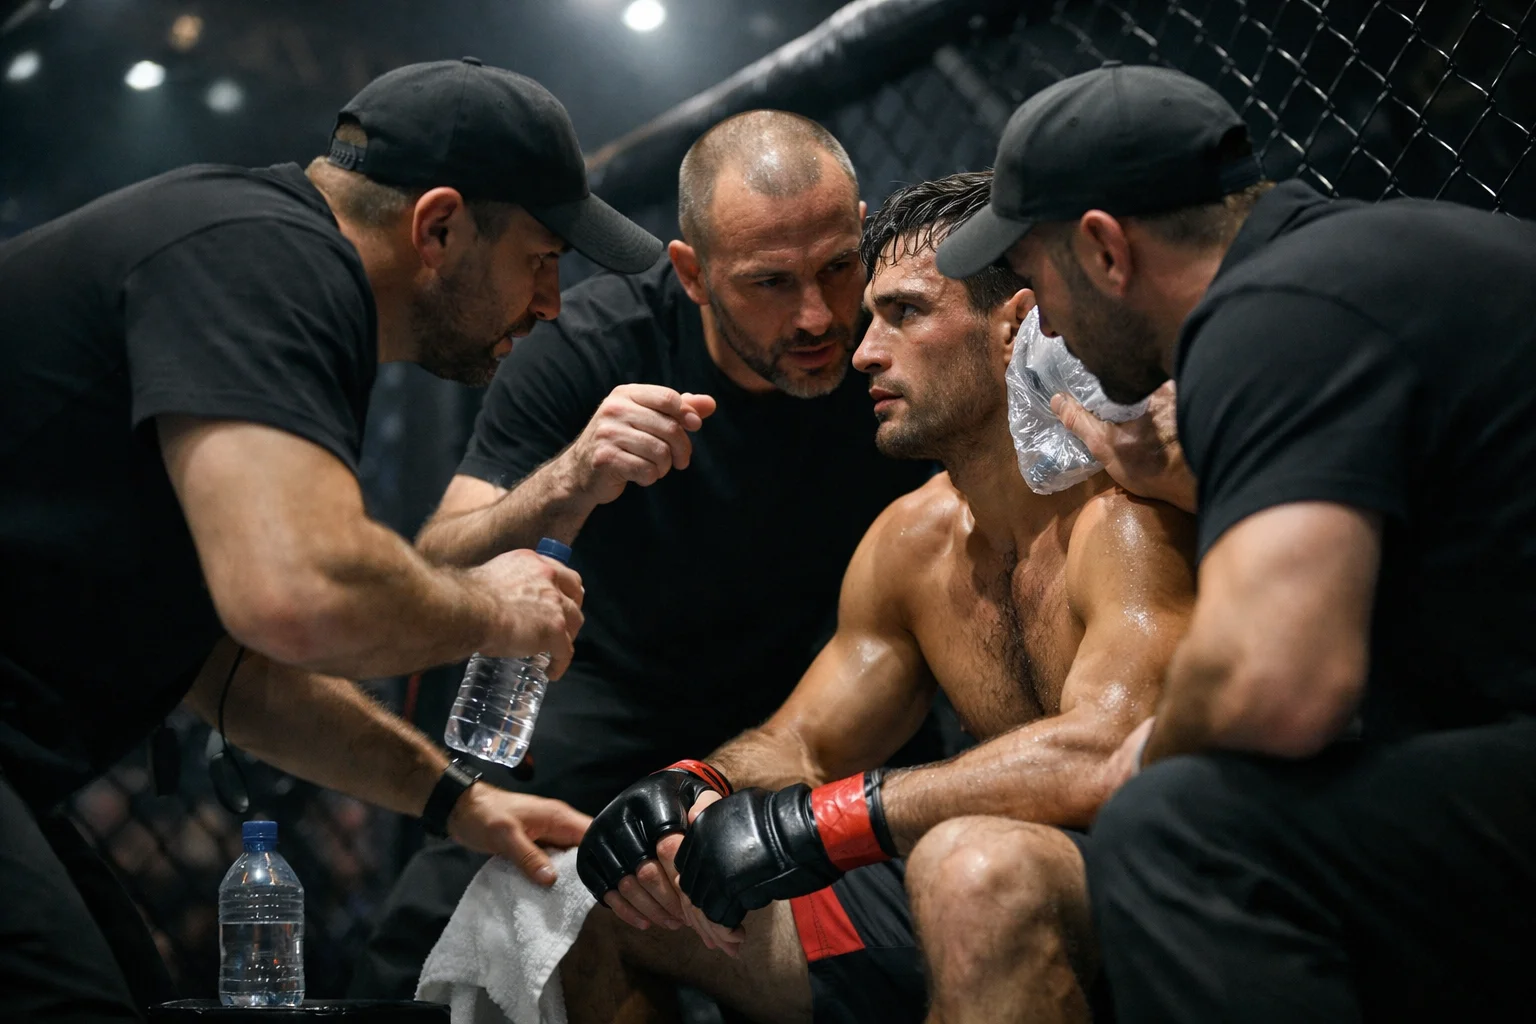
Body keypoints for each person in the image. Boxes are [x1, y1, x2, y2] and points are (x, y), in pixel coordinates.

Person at [0, 58, 662, 1020]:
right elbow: (298, 592)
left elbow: (238, 667)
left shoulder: (255, 262)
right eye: (541, 258)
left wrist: (453, 801)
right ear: (438, 227)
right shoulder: (269, 260)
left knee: (127, 988)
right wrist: (496, 610)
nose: (553, 301)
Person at [937, 62, 1536, 1021]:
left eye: (1030, 276)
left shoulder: (1264, 322)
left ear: (1103, 250)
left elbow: (1274, 684)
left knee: (1178, 830)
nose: (1037, 321)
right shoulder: (1344, 265)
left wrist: (1143, 754)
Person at [564, 171, 1197, 1024]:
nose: (862, 349)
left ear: (1016, 324)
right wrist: (693, 780)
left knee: (970, 865)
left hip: (1160, 888)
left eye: (904, 312)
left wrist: (826, 823)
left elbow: (1110, 752)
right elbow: (805, 742)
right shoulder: (912, 541)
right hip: (964, 882)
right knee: (614, 907)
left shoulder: (1123, 514)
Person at [349, 110, 934, 999]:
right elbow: (438, 560)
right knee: (476, 889)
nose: (818, 314)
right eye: (770, 282)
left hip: (835, 684)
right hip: (618, 687)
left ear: (864, 228)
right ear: (692, 275)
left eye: (838, 266)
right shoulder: (592, 343)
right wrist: (569, 478)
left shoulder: (906, 334)